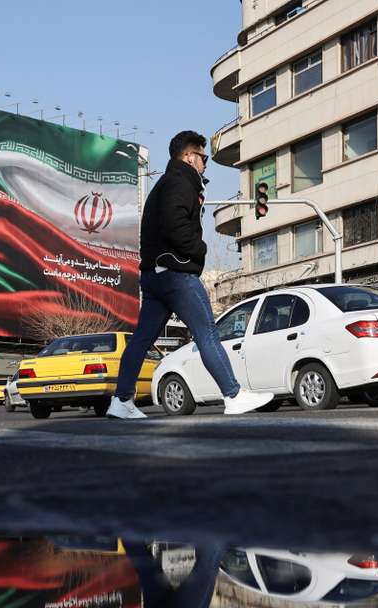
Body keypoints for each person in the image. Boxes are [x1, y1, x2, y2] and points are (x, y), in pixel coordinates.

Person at [108, 131, 273, 419]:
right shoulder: (180, 182)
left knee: (142, 339)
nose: (205, 164)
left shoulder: (163, 184)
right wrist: (199, 250)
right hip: (176, 274)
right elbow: (176, 225)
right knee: (207, 332)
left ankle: (121, 401)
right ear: (188, 157)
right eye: (203, 157)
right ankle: (233, 395)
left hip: (154, 275)